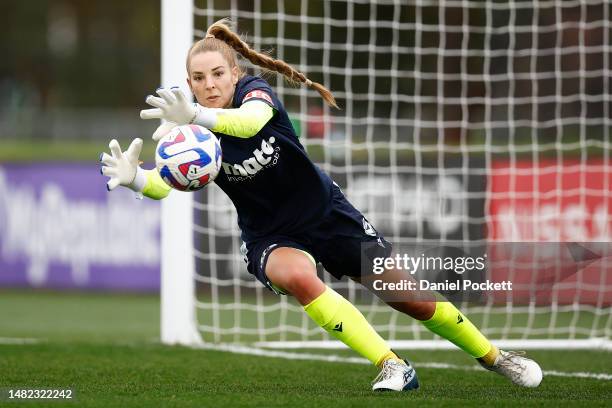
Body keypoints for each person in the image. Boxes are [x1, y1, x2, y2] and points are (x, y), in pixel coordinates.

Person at [100, 19, 542, 392]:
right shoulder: (191, 132)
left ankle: (494, 356)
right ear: (189, 82)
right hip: (269, 234)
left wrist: (196, 115)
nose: (209, 85)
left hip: (327, 214)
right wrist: (136, 177)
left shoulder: (254, 94)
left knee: (413, 300)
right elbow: (168, 182)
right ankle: (392, 365)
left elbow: (249, 123)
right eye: (199, 79)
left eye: (217, 74)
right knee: (296, 276)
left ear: (235, 74)